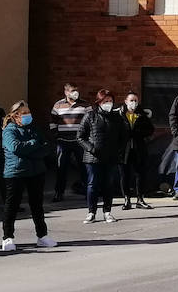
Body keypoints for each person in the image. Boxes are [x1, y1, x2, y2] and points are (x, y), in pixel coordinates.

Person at [0, 101, 56, 251]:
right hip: (16, 172)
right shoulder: (9, 130)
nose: (27, 116)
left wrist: (30, 149)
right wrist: (33, 144)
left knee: (37, 205)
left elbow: (46, 147)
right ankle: (8, 237)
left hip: (36, 171)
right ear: (15, 115)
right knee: (12, 206)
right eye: (24, 113)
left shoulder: (34, 129)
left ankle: (42, 236)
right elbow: (16, 148)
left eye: (28, 112)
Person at [79, 89, 128, 224]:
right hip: (93, 157)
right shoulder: (90, 116)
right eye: (105, 101)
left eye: (110, 101)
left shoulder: (117, 118)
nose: (108, 103)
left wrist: (118, 150)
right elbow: (80, 136)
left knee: (108, 184)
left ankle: (107, 212)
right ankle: (91, 212)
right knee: (92, 184)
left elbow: (124, 136)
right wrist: (91, 148)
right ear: (99, 102)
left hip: (111, 157)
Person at [50, 84, 89, 202]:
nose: (75, 93)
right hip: (63, 142)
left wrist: (86, 137)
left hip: (80, 142)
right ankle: (59, 193)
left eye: (77, 91)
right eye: (72, 91)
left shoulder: (86, 105)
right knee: (61, 168)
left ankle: (89, 192)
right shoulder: (58, 105)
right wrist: (56, 136)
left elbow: (91, 121)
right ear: (66, 92)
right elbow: (53, 121)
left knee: (84, 167)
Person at [119, 91, 155, 210]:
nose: (133, 103)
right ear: (126, 101)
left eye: (135, 100)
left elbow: (150, 130)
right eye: (131, 100)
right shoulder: (120, 114)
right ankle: (126, 199)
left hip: (139, 149)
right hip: (124, 150)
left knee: (140, 174)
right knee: (125, 175)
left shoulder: (142, 115)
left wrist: (138, 133)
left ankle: (140, 199)